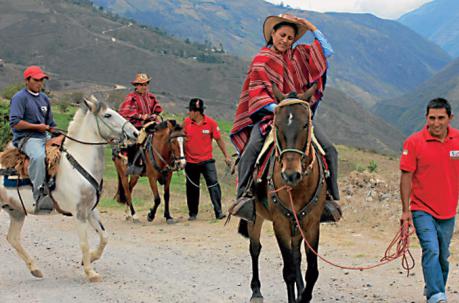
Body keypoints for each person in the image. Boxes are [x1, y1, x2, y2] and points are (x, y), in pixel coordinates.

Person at [229, 14, 341, 222]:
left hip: (297, 117)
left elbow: (326, 51)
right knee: (251, 149)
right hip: (270, 117)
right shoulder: (261, 60)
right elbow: (257, 93)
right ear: (272, 34)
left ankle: (330, 199)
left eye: (291, 37)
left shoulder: (299, 54)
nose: (286, 41)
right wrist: (279, 108)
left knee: (330, 150)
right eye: (282, 35)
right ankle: (244, 197)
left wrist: (309, 26)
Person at [400, 98, 458, 303]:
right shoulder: (414, 142)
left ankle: (434, 290)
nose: (436, 123)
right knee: (431, 249)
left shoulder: (458, 140)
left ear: (450, 118)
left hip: (449, 210)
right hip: (421, 208)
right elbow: (406, 176)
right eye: (432, 118)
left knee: (443, 256)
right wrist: (406, 210)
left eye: (441, 118)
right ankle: (436, 295)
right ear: (426, 118)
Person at [9, 65, 56, 213]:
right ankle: (39, 194)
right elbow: (15, 122)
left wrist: (55, 132)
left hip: (44, 135)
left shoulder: (44, 98)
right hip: (26, 138)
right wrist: (37, 127)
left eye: (42, 80)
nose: (39, 83)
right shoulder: (19, 98)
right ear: (27, 80)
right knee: (38, 156)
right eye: (36, 80)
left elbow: (50, 123)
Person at [183, 98, 232, 220]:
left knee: (213, 184)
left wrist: (226, 156)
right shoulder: (186, 123)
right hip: (190, 162)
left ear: (197, 112)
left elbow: (219, 140)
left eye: (190, 110)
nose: (188, 113)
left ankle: (218, 211)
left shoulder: (211, 123)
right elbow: (180, 139)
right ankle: (193, 214)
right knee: (192, 188)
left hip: (207, 161)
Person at [118, 73, 163, 174]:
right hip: (136, 125)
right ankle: (134, 164)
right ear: (136, 85)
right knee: (137, 140)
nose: (144, 87)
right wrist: (141, 116)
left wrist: (155, 115)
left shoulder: (151, 97)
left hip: (151, 123)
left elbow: (157, 108)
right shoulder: (131, 97)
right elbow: (126, 111)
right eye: (141, 84)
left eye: (145, 84)